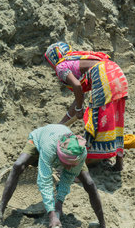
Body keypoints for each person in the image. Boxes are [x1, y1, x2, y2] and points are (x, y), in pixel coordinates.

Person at [0, 124, 110, 228]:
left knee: (89, 183)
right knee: (18, 165)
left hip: (69, 154)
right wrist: (52, 214)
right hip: (39, 141)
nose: (68, 167)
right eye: (67, 164)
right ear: (60, 156)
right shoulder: (49, 148)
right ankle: (0, 211)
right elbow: (45, 180)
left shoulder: (80, 153)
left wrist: (59, 204)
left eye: (72, 164)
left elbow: (67, 179)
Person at [44, 42, 128, 171]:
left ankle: (81, 167)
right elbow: (79, 97)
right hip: (116, 73)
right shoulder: (77, 60)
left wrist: (79, 109)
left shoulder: (61, 66)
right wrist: (60, 125)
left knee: (95, 121)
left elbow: (77, 86)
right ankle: (119, 162)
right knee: (116, 119)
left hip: (103, 76)